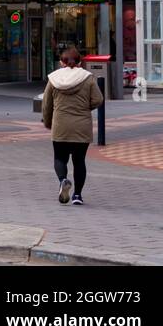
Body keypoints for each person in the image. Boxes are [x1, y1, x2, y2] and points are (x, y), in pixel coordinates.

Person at [42, 44, 103, 205]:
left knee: (60, 158)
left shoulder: (53, 79)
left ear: (62, 62)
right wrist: (85, 108)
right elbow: (98, 99)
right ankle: (77, 195)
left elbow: (47, 104)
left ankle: (63, 180)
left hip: (60, 125)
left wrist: (48, 123)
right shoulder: (88, 78)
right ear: (79, 62)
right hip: (81, 126)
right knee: (79, 161)